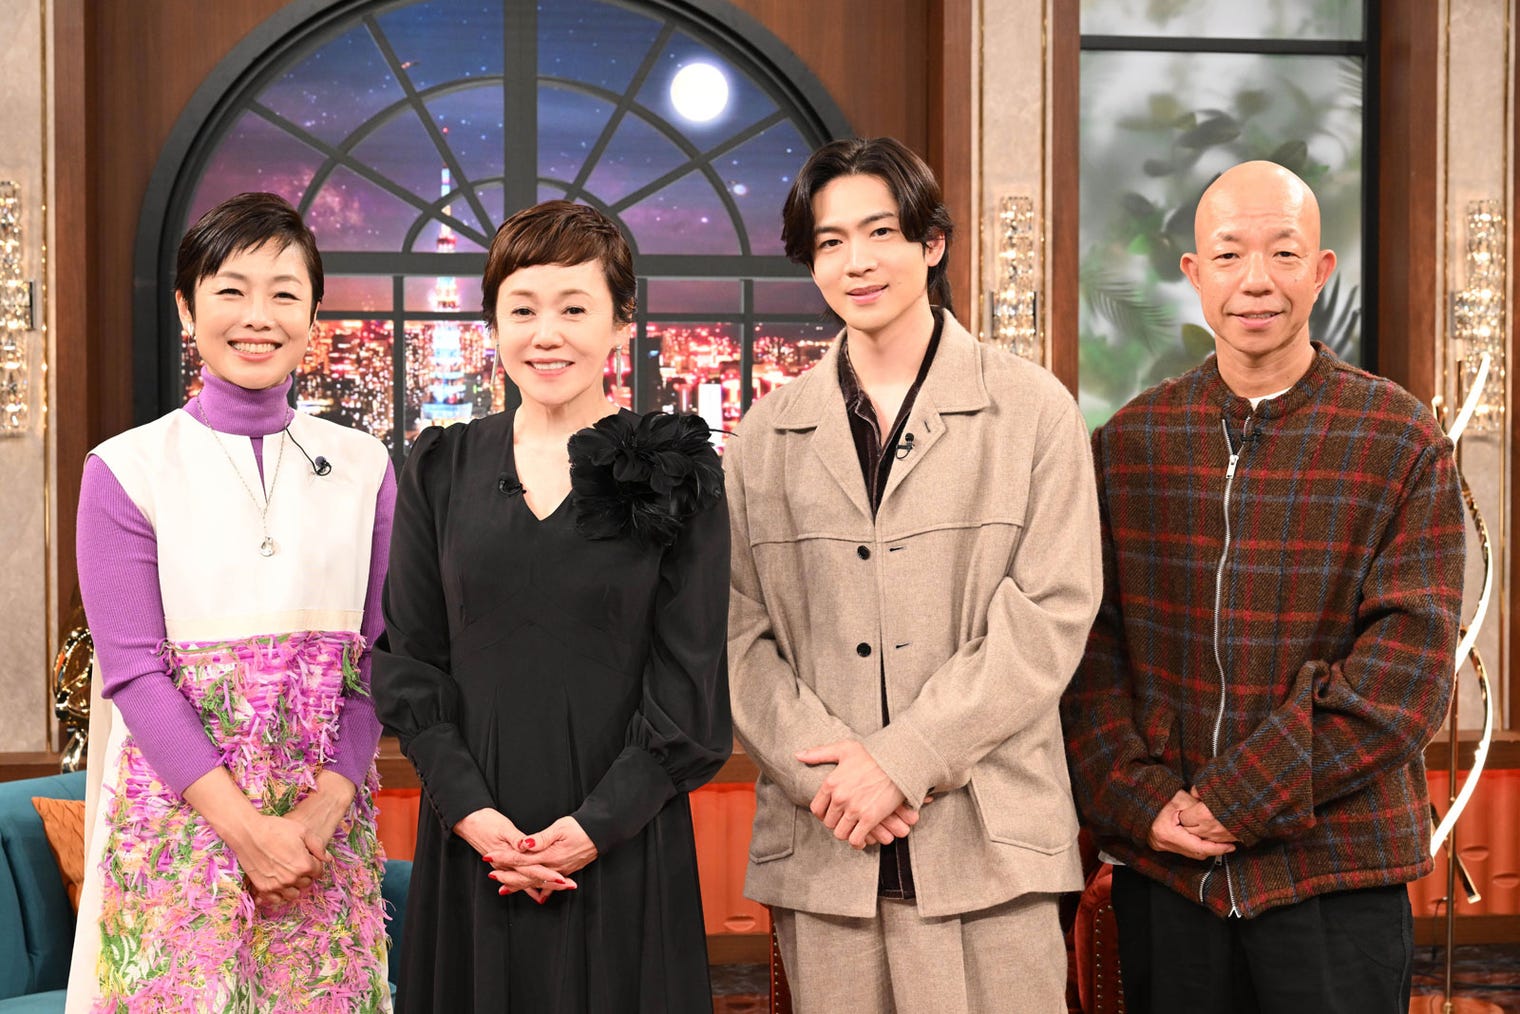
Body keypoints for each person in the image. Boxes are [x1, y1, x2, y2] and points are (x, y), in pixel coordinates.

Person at [1061, 160, 1465, 1013]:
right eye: (1229, 254)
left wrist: (1237, 800)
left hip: (1336, 871)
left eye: (1284, 253)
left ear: (1320, 271)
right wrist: (1139, 801)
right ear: (1194, 273)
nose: (1256, 281)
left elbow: (1405, 678)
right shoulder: (1129, 443)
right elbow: (1085, 653)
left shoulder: (1399, 440)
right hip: (1169, 867)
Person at [725, 136, 1102, 1013]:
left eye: (881, 232)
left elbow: (1051, 613)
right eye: (830, 242)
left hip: (992, 845)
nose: (856, 262)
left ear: (932, 244)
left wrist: (904, 760)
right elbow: (738, 636)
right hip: (828, 846)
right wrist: (834, 781)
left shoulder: (1033, 410)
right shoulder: (764, 435)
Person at [373, 199, 731, 1013]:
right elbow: (411, 663)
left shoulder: (680, 473)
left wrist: (596, 827)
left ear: (621, 323)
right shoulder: (439, 466)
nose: (547, 335)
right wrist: (472, 814)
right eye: (523, 310)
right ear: (493, 324)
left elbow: (692, 680)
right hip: (473, 843)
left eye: (574, 309)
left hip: (626, 844)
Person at [66, 192, 394, 1012]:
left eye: (284, 293)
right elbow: (134, 674)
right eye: (231, 290)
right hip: (177, 829)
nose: (258, 316)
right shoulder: (126, 469)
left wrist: (321, 812)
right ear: (187, 307)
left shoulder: (365, 466)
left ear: (313, 314)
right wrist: (249, 835)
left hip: (320, 841)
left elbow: (385, 652)